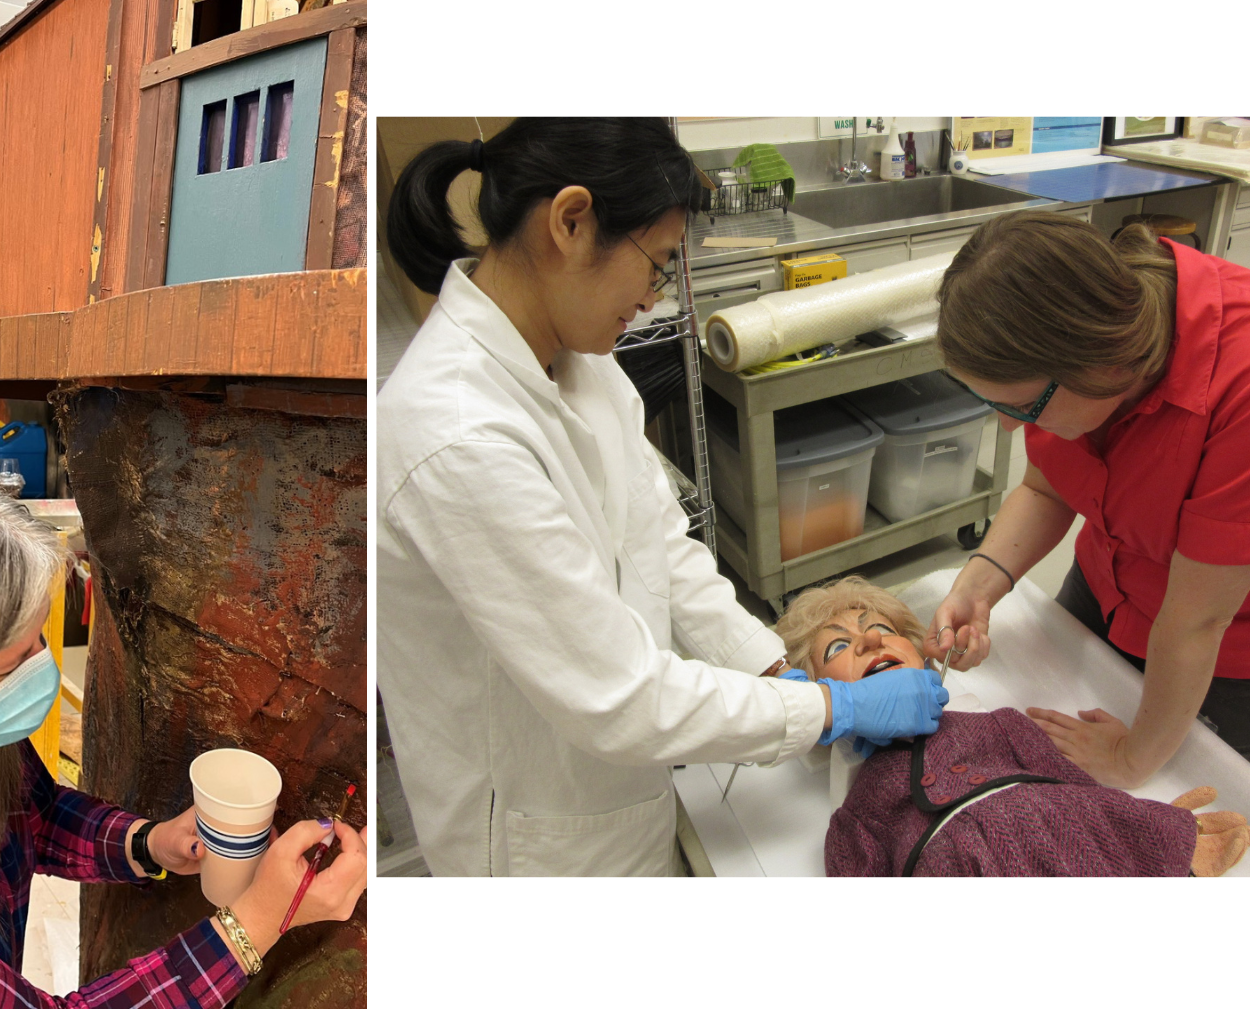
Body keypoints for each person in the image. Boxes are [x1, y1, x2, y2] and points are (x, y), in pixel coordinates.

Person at [375, 116, 949, 876]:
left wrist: (774, 671)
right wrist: (829, 709)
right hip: (533, 845)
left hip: (620, 787)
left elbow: (659, 547)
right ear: (572, 222)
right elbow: (614, 695)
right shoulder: (456, 436)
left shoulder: (581, 364)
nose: (653, 299)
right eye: (656, 266)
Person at [0, 466, 367, 1009]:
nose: (41, 669)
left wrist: (148, 844)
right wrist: (257, 923)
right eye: (8, 666)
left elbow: (30, 816)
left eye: (39, 640)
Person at [925, 210, 1250, 788]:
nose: (1007, 428)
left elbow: (1199, 620)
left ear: (1107, 368)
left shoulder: (1237, 386)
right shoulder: (1063, 349)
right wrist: (981, 582)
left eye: (1020, 409)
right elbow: (1046, 486)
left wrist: (1132, 758)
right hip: (1111, 586)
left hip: (1222, 648)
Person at [774, 577, 1249, 877]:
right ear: (815, 694)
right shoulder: (858, 810)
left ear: (923, 654)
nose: (871, 639)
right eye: (837, 649)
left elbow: (1077, 792)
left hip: (1064, 836)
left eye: (880, 627)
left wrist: (1155, 831)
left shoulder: (1002, 724)